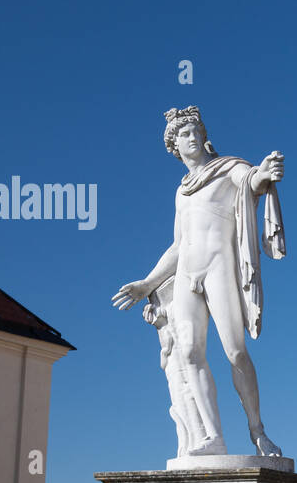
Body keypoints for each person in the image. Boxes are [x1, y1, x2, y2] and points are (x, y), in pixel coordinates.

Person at [112, 106, 287, 457]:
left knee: (236, 351)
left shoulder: (228, 169)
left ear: (205, 136)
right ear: (175, 146)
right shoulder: (181, 192)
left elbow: (250, 181)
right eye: (184, 134)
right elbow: (179, 245)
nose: (192, 137)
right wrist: (147, 283)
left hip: (219, 268)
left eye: (196, 131)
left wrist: (264, 174)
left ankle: (258, 432)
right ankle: (212, 438)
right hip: (187, 275)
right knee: (190, 353)